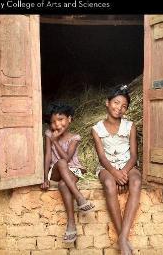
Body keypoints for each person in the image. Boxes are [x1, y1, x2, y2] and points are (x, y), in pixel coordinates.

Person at [92, 85, 142, 255]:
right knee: (108, 183)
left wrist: (124, 173)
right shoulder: (96, 128)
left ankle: (122, 238)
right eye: (116, 102)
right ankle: (124, 239)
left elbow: (134, 155)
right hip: (107, 167)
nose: (119, 108)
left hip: (127, 164)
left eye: (124, 106)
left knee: (136, 181)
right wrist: (114, 174)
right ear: (107, 103)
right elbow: (101, 157)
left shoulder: (130, 126)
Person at [41, 102, 95, 243]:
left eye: (60, 119)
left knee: (64, 185)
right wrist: (44, 177)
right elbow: (47, 156)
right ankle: (79, 198)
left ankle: (71, 223)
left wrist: (55, 142)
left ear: (69, 119)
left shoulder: (75, 138)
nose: (57, 125)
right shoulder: (48, 134)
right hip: (55, 171)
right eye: (53, 122)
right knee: (60, 163)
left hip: (72, 169)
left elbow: (67, 158)